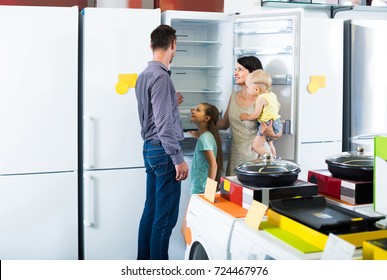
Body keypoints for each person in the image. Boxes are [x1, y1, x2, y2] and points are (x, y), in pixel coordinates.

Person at [135, 24, 189, 260]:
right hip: (165, 154)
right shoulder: (161, 78)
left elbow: (152, 116)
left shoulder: (144, 75)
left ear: (151, 45)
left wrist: (170, 105)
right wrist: (178, 159)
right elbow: (164, 125)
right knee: (165, 218)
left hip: (150, 149)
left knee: (151, 211)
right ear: (173, 45)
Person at [217, 56, 281, 175]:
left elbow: (277, 133)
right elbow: (223, 124)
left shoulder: (263, 99)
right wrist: (202, 124)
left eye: (240, 69)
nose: (235, 73)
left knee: (254, 193)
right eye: (235, 69)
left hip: (257, 158)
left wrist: (268, 132)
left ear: (253, 73)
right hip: (236, 157)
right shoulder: (234, 96)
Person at [240, 69, 282, 158]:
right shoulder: (272, 95)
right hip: (276, 122)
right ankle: (275, 158)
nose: (247, 89)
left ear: (256, 89)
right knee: (270, 144)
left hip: (265, 124)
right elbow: (278, 106)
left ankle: (270, 158)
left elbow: (256, 115)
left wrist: (246, 117)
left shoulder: (261, 98)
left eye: (248, 88)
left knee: (256, 146)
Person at [188, 102, 223, 194]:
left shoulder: (205, 138)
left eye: (198, 110)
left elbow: (213, 165)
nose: (193, 111)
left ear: (206, 118)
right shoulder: (205, 137)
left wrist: (209, 191)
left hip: (202, 189)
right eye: (194, 109)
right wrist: (198, 137)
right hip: (200, 187)